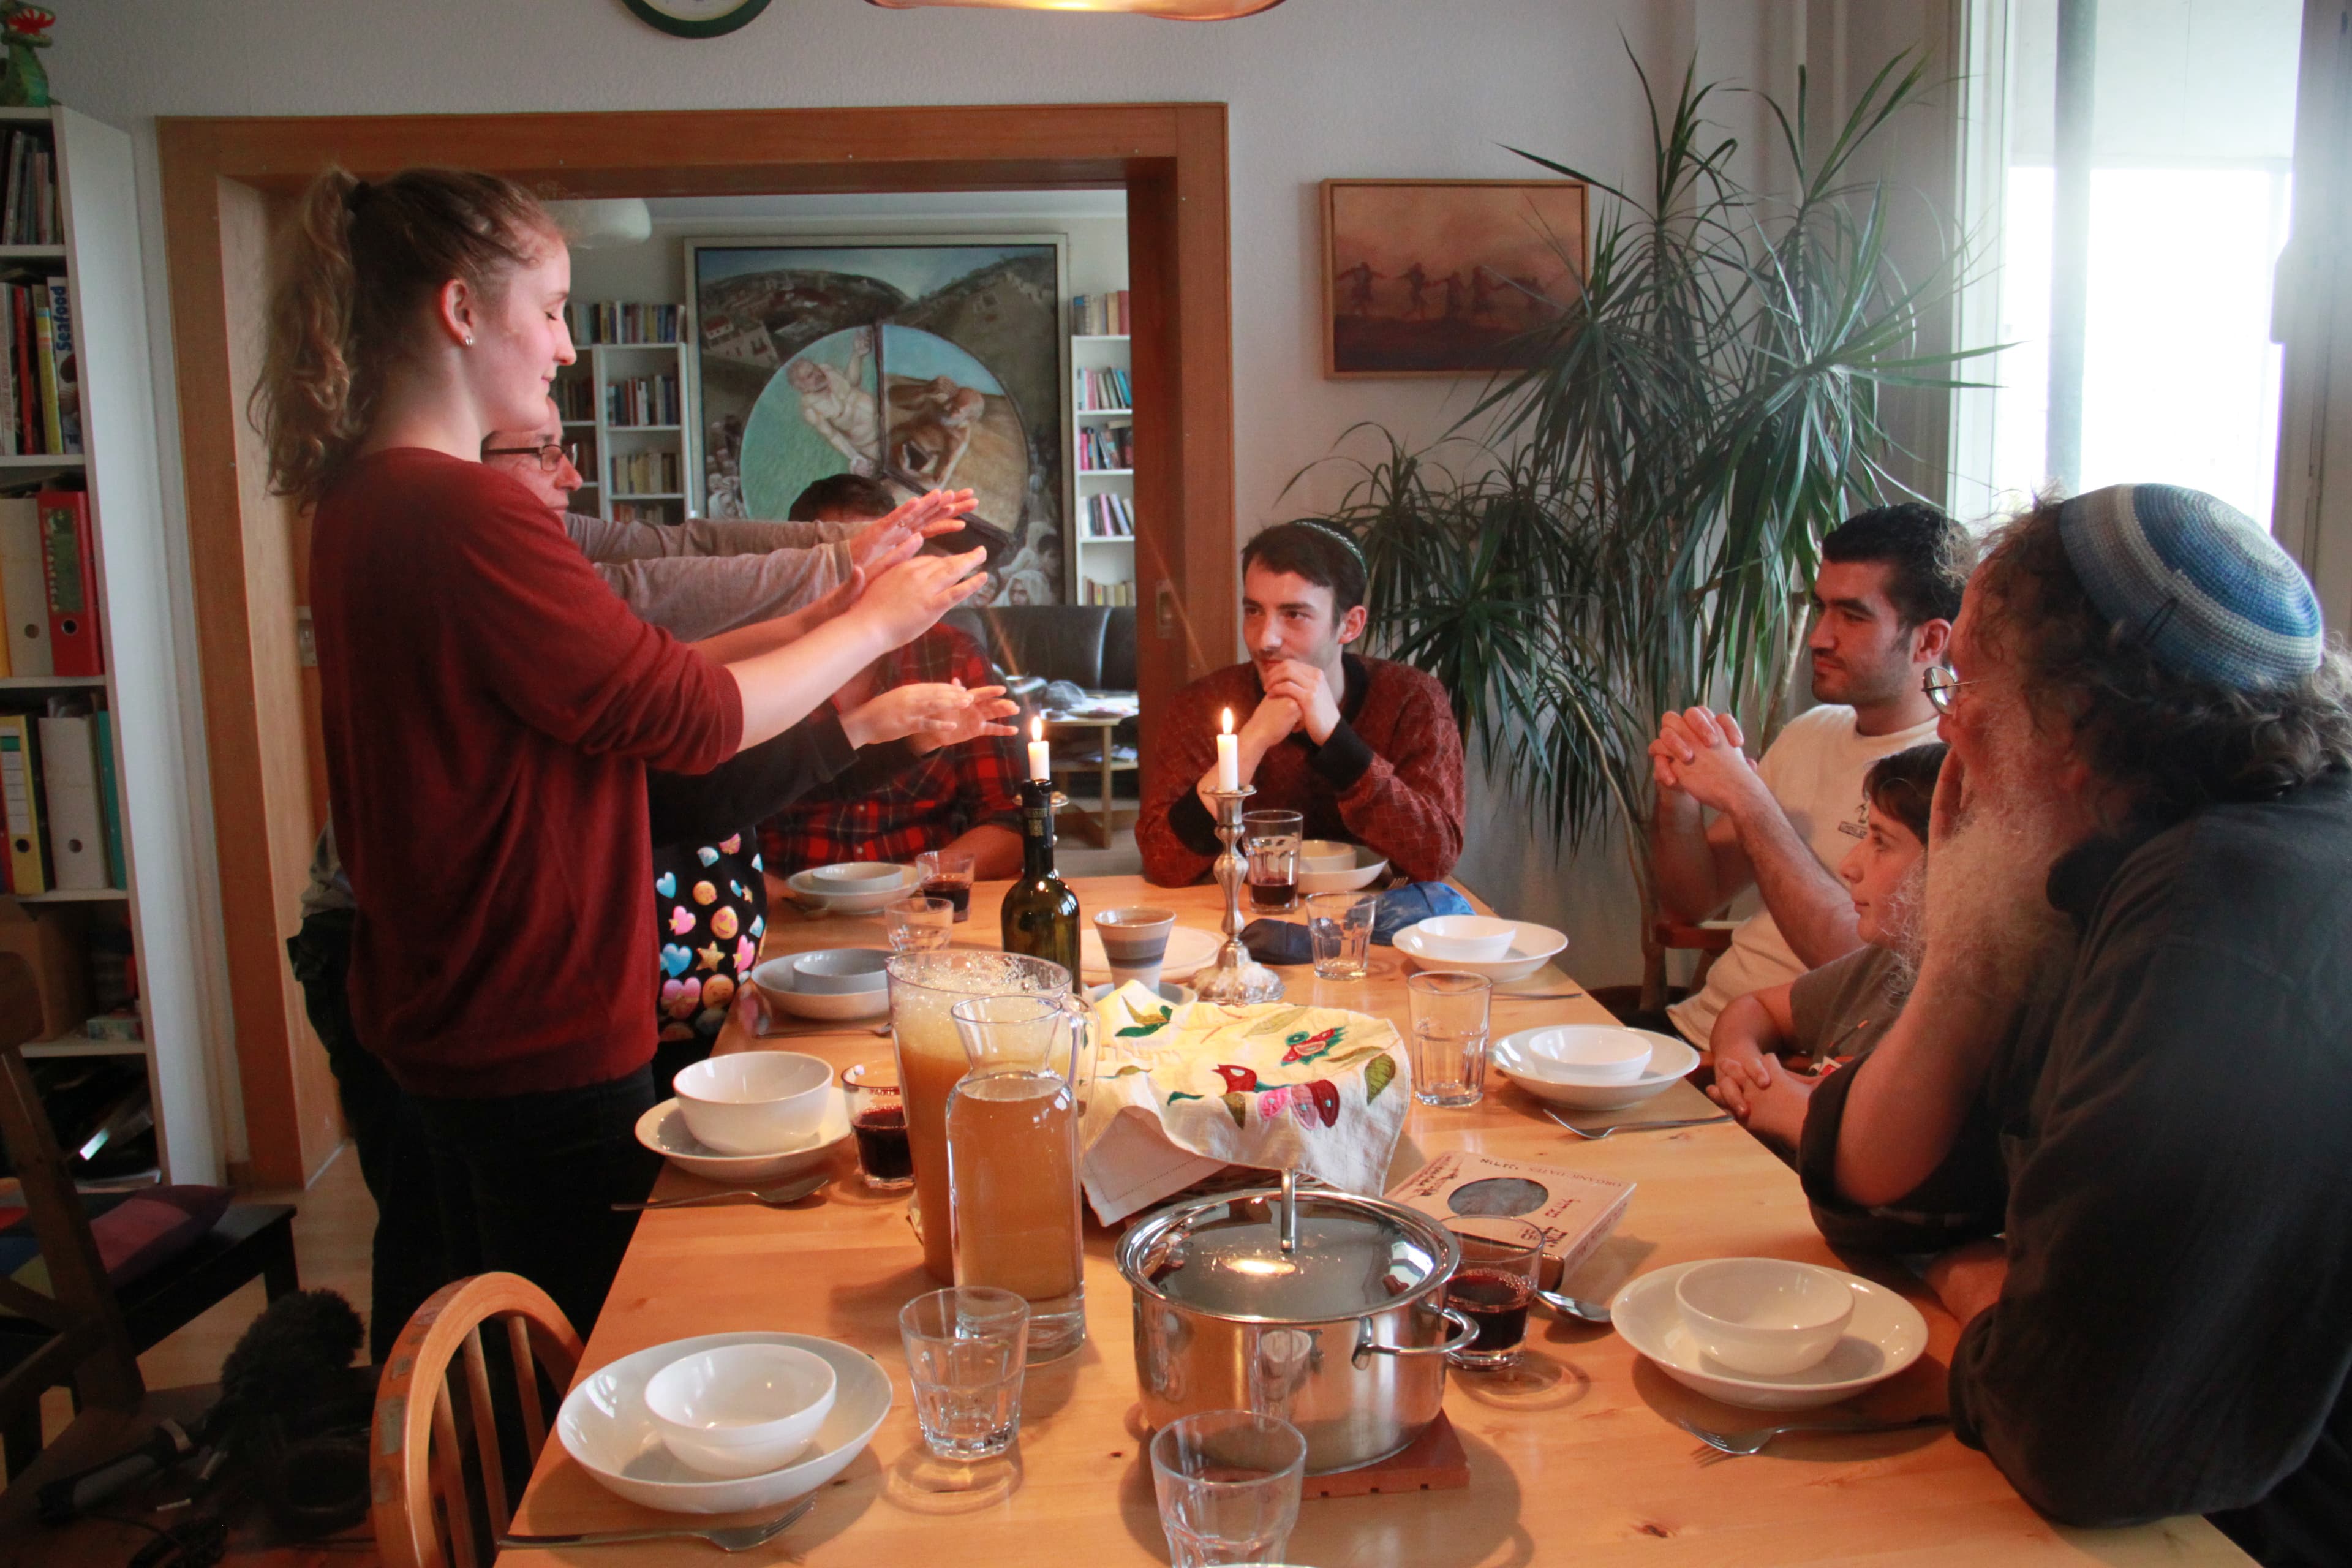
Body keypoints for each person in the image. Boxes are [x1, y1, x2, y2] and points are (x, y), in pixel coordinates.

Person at [262, 165, 987, 1340]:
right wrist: (872, 626)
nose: (561, 346)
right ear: (460, 311)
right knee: (584, 1364)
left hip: (453, 1011)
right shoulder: (464, 512)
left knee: (495, 1332)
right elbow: (691, 716)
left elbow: (633, 658)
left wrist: (830, 608)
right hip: (530, 1016)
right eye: (548, 308)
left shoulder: (364, 503)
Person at [1802, 484, 2352, 1562]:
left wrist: (1958, 1274)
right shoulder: (2128, 853)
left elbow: (2081, 1432)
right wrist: (1961, 952)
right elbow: (1872, 1196)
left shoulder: (2216, 915)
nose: (1949, 721)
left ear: (2078, 725)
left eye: (1970, 684)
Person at [1651, 503, 1969, 1046]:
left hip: (1776, 1063)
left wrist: (1749, 801)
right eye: (1821, 609)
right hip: (1691, 1029)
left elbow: (1859, 968)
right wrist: (1677, 796)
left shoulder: (1946, 775)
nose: (1819, 638)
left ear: (1930, 641)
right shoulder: (1812, 730)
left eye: (1852, 616)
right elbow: (1692, 901)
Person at [1137, 520, 1465, 886]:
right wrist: (1252, 741)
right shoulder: (1202, 704)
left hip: (1370, 921)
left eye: (1294, 615)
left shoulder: (1412, 700)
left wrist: (1338, 742)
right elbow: (1161, 860)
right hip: (1240, 917)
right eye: (1254, 611)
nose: (1265, 640)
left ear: (1350, 625)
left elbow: (1436, 856)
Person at [757, 479, 1027, 882]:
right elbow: (716, 825)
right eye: (841, 560)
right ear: (803, 565)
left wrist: (909, 884)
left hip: (923, 907)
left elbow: (1008, 825)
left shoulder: (950, 655)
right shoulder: (759, 665)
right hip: (784, 908)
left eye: (882, 557)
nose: (862, 577)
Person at [1705, 741, 1943, 1150]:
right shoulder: (1887, 963)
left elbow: (1883, 1150)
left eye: (1882, 843)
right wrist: (1740, 1061)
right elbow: (1755, 1008)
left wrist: (1783, 1105)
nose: (1850, 866)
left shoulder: (1961, 1014)